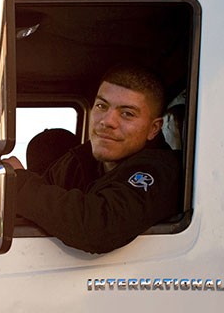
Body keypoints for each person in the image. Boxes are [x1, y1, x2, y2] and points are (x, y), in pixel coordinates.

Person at [9, 66, 183, 253]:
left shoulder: (160, 170)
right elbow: (41, 202)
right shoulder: (79, 159)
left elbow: (99, 227)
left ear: (154, 129)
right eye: (102, 106)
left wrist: (17, 182)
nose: (108, 121)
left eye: (127, 113)